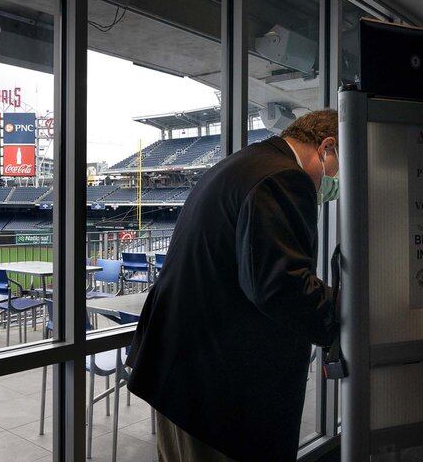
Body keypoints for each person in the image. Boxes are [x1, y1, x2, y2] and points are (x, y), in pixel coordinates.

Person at [126, 109, 341, 462]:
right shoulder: (283, 177)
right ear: (326, 147)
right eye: (338, 171)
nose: (332, 184)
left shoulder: (247, 163)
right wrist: (343, 311)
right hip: (213, 390)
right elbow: (280, 286)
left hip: (183, 373)